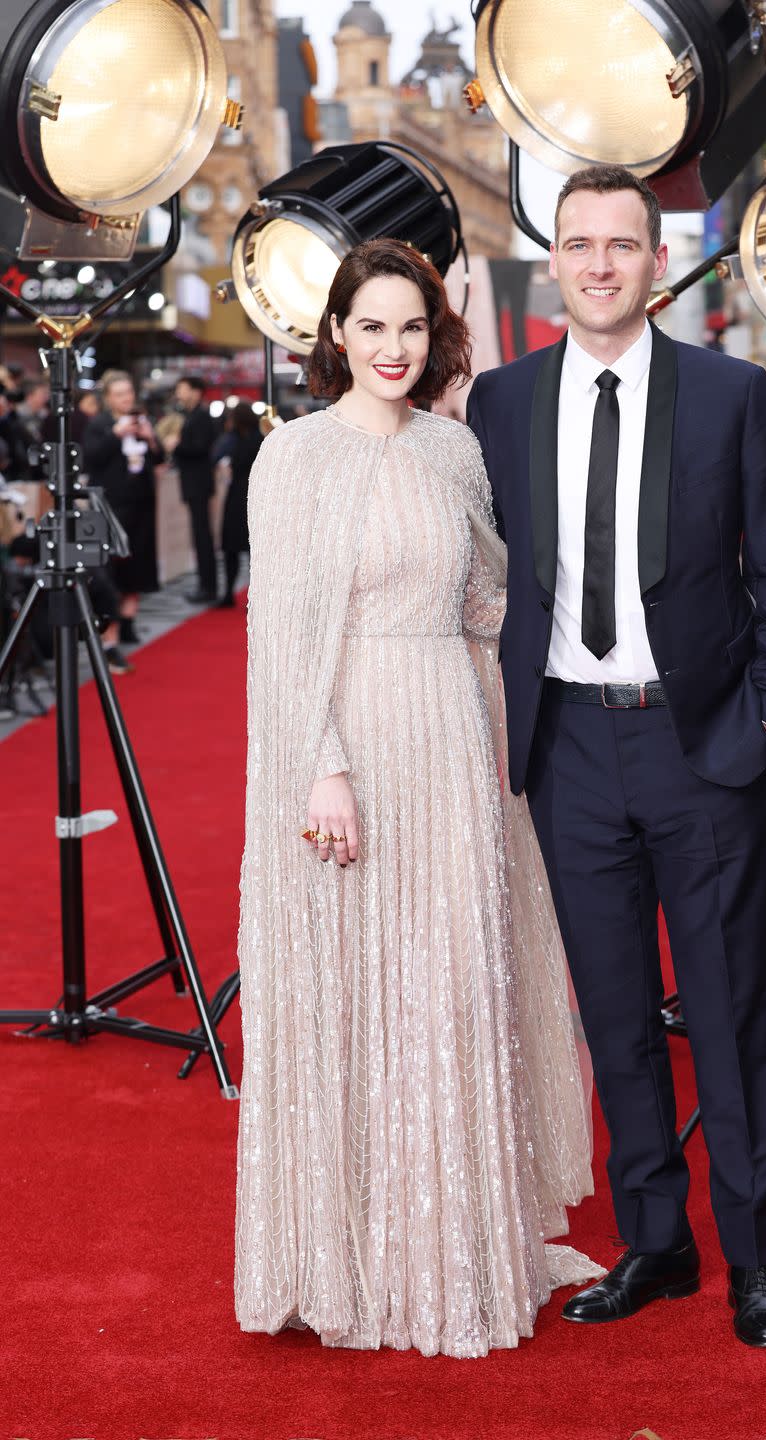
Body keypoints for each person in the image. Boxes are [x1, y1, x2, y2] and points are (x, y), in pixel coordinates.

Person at [467, 165, 766, 1348]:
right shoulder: (504, 404)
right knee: (615, 1016)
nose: (602, 264)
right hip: (568, 748)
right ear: (556, 260)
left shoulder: (728, 395)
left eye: (625, 244)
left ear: (657, 263)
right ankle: (655, 1245)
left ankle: (750, 1260)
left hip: (702, 744)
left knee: (726, 1012)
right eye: (581, 244)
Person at [234, 237, 601, 1356]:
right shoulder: (291, 460)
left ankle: (467, 1234)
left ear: (432, 336)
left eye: (410, 327)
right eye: (371, 326)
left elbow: (490, 591)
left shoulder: (455, 452)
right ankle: (356, 1248)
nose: (391, 348)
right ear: (334, 335)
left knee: (452, 984)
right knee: (358, 989)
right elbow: (286, 644)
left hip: (453, 742)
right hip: (349, 743)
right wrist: (321, 769)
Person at [84, 370, 160, 651]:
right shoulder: (100, 424)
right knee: (109, 569)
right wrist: (116, 435)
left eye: (129, 393)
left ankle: (128, 623)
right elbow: (90, 458)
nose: (126, 398)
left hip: (142, 503)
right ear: (107, 398)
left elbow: (159, 456)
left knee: (138, 565)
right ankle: (110, 631)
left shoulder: (142, 420)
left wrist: (150, 438)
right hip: (111, 507)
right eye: (120, 394)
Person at [168, 376, 218, 604]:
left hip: (198, 482)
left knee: (202, 535)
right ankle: (206, 585)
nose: (179, 393)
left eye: (183, 389)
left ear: (196, 391)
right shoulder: (193, 415)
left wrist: (176, 446)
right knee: (200, 535)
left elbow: (199, 448)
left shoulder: (201, 417)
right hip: (195, 482)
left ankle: (208, 587)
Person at [212, 401, 261, 606]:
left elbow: (216, 456)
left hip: (238, 497)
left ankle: (228, 594)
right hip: (255, 495)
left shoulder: (234, 439)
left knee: (232, 547)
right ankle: (256, 597)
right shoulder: (260, 438)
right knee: (253, 549)